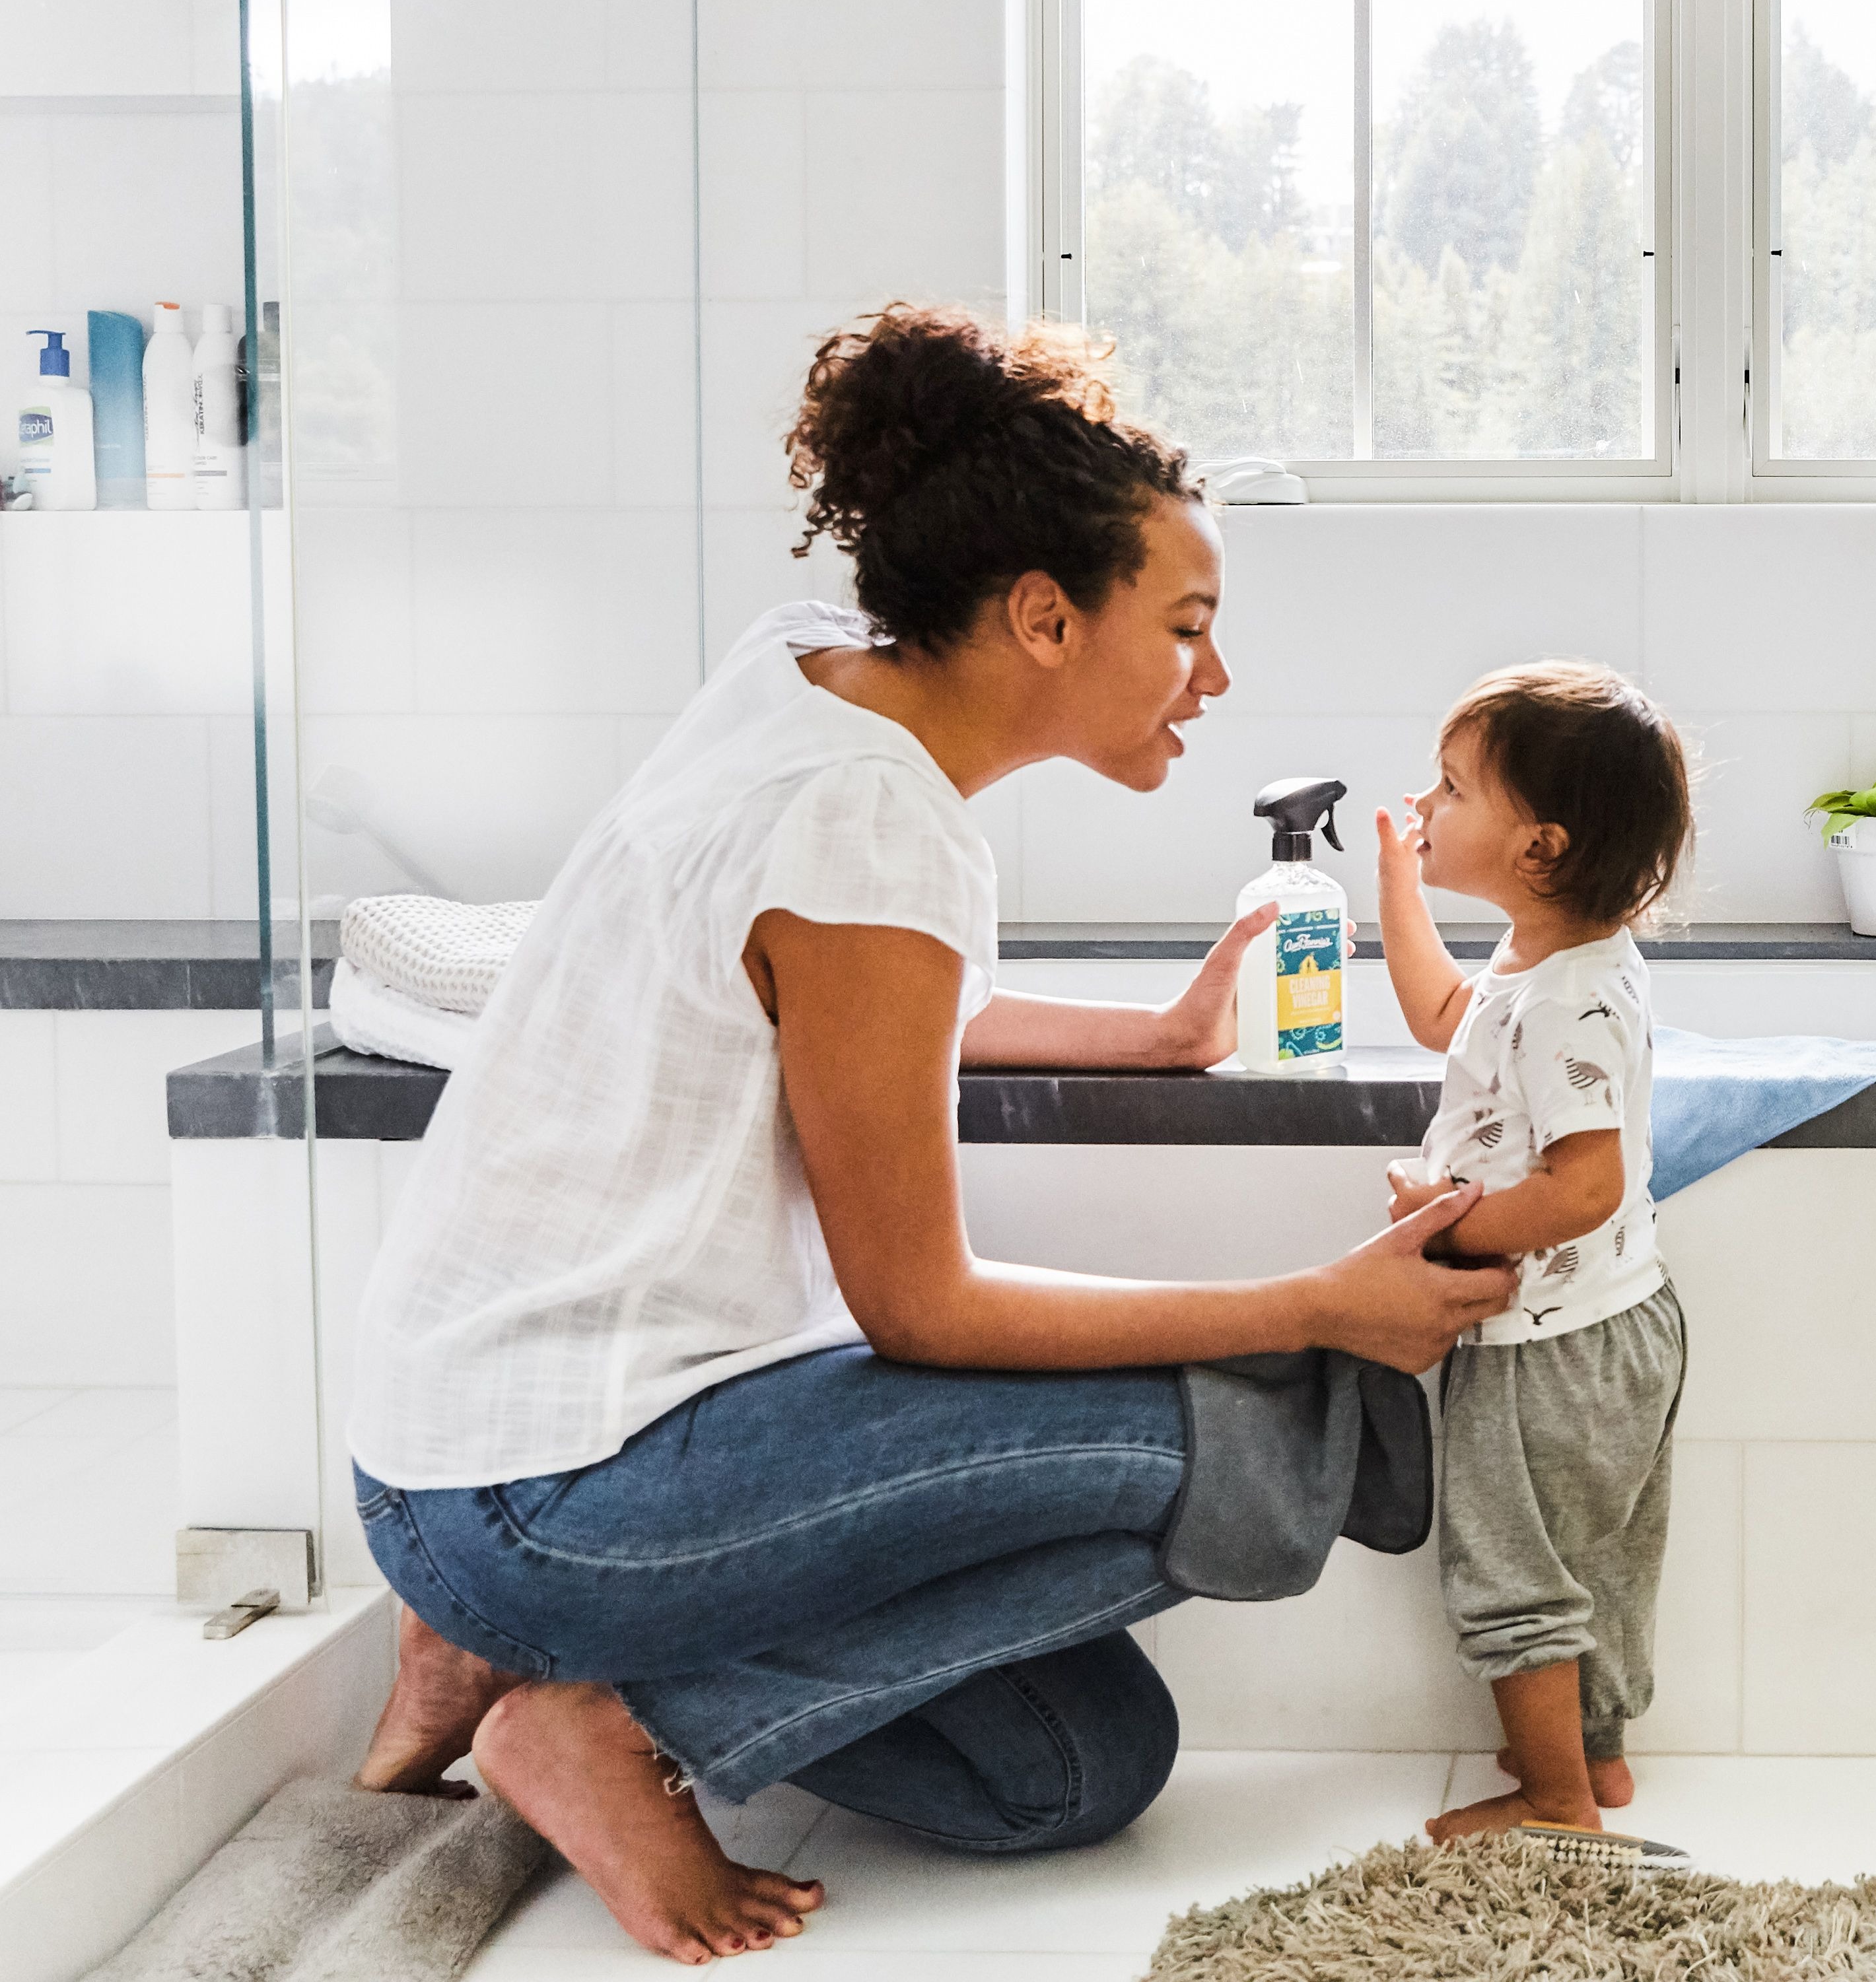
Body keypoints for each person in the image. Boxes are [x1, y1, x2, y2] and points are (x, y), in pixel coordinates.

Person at [339, 305, 1516, 1965]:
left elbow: (833, 1001)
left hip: (476, 1450)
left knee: (1077, 1771)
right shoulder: (870, 819)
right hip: (554, 1487)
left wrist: (1162, 1038)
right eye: (1187, 626)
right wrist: (1316, 1302)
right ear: (1043, 618)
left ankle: (518, 1663)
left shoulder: (807, 676)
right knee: (1249, 1438)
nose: (1217, 677)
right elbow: (925, 1310)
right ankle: (591, 1721)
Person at [1371, 664, 1694, 1842]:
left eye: (1451, 789)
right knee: (1592, 1565)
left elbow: (1585, 1185)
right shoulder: (1547, 969)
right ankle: (1595, 1762)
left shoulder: (1566, 1003)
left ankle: (1555, 1803)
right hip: (1611, 1325)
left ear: (1541, 849)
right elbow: (1439, 1016)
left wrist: (1444, 1217)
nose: (1426, 802)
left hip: (1544, 1346)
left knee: (1514, 1574)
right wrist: (1400, 886)